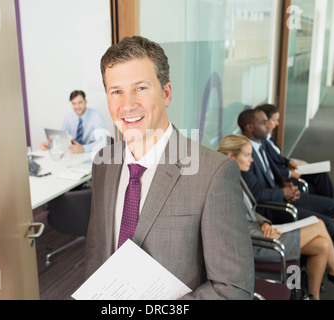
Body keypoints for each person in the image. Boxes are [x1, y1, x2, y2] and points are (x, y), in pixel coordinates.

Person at [83, 36, 255, 299]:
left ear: (165, 93)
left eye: (140, 88)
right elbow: (97, 253)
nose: (127, 105)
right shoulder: (103, 164)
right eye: (116, 91)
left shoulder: (212, 173)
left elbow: (233, 290)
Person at [217, 134, 334, 300]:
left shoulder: (237, 176)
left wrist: (265, 223)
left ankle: (314, 296)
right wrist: (266, 232)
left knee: (322, 244)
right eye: (247, 155)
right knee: (320, 224)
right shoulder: (224, 187)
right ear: (231, 157)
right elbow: (235, 229)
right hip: (257, 244)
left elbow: (250, 210)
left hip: (262, 232)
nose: (251, 160)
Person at [238, 108, 334, 236]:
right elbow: (255, 194)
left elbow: (273, 169)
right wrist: (282, 192)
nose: (269, 125)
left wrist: (285, 185)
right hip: (272, 205)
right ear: (250, 127)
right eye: (264, 122)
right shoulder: (245, 155)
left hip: (281, 192)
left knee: (332, 206)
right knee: (327, 224)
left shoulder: (262, 143)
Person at [40, 90, 107, 154]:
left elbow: (103, 142)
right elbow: (62, 139)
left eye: (80, 102)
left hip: (91, 154)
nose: (77, 107)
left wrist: (83, 149)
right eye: (74, 103)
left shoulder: (96, 116)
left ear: (85, 101)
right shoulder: (68, 118)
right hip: (73, 154)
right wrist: (49, 145)